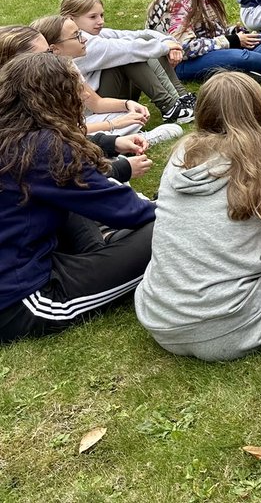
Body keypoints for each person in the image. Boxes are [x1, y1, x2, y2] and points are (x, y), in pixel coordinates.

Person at [135, 72, 261, 361]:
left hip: (160, 316)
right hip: (230, 326)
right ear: (258, 111)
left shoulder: (182, 155)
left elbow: (214, 220)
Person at [0, 52, 156, 344]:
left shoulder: (12, 136)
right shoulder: (43, 147)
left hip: (26, 263)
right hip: (24, 300)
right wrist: (178, 208)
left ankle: (105, 248)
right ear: (58, 95)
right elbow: (128, 210)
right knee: (172, 231)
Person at [0, 25, 158, 180]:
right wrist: (118, 169)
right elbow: (57, 167)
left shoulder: (40, 89)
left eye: (49, 51)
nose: (51, 57)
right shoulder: (22, 118)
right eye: (44, 54)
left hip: (79, 137)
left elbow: (63, 136)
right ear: (15, 64)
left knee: (131, 119)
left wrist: (113, 141)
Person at [59, 0, 194, 124]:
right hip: (95, 108)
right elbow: (129, 49)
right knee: (128, 55)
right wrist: (166, 47)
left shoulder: (96, 35)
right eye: (93, 17)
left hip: (113, 96)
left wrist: (168, 42)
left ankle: (181, 97)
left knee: (140, 44)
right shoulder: (84, 42)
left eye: (101, 15)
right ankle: (169, 106)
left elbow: (142, 35)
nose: (101, 21)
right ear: (71, 19)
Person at [32, 14, 153, 138]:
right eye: (76, 36)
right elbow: (62, 130)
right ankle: (128, 140)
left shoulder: (69, 64)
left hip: (82, 124)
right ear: (54, 49)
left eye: (80, 33)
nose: (84, 39)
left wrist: (127, 104)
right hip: (63, 135)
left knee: (131, 117)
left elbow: (96, 103)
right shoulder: (42, 78)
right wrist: (113, 124)